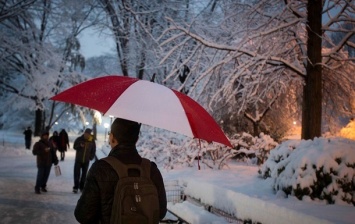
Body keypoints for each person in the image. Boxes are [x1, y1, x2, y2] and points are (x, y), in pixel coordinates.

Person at [74, 118, 167, 224]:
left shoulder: (100, 169)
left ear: (112, 138)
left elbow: (83, 216)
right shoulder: (152, 170)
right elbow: (161, 212)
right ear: (136, 140)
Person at [73, 128, 96, 193]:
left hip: (86, 161)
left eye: (88, 134)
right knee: (76, 174)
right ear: (84, 133)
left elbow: (93, 150)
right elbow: (74, 147)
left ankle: (81, 187)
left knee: (84, 175)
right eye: (86, 133)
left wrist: (91, 157)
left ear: (90, 134)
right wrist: (79, 146)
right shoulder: (79, 139)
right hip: (78, 160)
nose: (87, 135)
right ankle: (76, 187)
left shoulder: (92, 141)